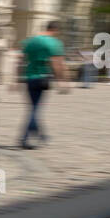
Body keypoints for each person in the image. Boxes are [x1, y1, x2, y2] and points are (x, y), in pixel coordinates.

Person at [19, 20, 66, 149]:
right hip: (43, 79)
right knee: (35, 109)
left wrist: (15, 79)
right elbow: (57, 64)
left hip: (29, 78)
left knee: (33, 107)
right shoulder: (55, 43)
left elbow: (21, 59)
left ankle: (42, 135)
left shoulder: (31, 41)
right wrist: (61, 81)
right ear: (55, 30)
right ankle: (24, 138)